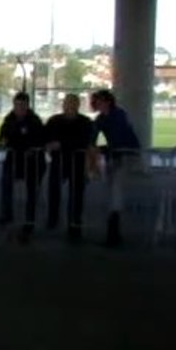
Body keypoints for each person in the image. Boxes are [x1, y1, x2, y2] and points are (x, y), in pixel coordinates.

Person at [89, 88, 141, 247]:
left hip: (125, 154)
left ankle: (114, 232)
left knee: (116, 191)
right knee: (112, 191)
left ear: (107, 101)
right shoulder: (102, 118)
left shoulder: (119, 115)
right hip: (115, 154)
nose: (97, 104)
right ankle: (113, 230)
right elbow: (92, 136)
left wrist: (100, 149)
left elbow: (120, 139)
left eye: (99, 101)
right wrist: (93, 148)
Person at [0, 91, 46, 242]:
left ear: (27, 105)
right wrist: (3, 141)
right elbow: (3, 134)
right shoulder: (9, 119)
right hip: (13, 160)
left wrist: (31, 149)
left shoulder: (35, 121)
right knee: (6, 185)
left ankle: (29, 220)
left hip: (33, 163)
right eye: (16, 105)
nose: (19, 108)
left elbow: (40, 140)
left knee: (32, 191)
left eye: (22, 105)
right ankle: (7, 214)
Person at [44, 93, 93, 242]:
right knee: (53, 191)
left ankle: (74, 224)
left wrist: (61, 144)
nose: (69, 107)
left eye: (72, 104)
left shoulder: (86, 123)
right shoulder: (54, 121)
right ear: (63, 105)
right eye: (67, 103)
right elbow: (46, 138)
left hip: (77, 164)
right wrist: (50, 146)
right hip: (59, 162)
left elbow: (85, 141)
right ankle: (53, 219)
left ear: (78, 106)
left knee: (76, 195)